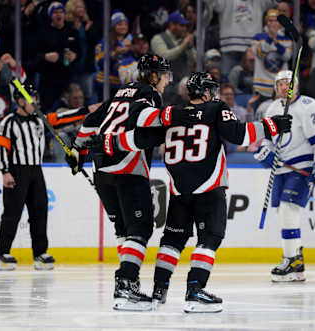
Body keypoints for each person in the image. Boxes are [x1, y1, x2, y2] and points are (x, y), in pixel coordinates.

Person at [88, 72, 292, 312]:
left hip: (179, 191)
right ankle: (194, 290)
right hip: (208, 188)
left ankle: (158, 291)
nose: (214, 95)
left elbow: (142, 138)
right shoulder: (215, 109)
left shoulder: (171, 114)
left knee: (173, 240)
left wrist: (109, 143)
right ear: (206, 92)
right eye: (212, 90)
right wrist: (275, 125)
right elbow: (240, 134)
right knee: (210, 238)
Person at [66, 54, 173, 311]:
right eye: (165, 75)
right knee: (141, 228)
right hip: (127, 168)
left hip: (102, 171)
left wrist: (77, 151)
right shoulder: (150, 93)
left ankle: (129, 283)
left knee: (125, 230)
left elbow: (91, 121)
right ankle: (125, 285)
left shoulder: (120, 92)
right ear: (155, 75)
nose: (167, 80)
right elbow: (146, 119)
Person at [0, 84, 89, 271]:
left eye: (35, 99)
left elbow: (61, 117)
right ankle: (2, 254)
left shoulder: (38, 120)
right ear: (20, 102)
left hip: (36, 171)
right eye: (31, 100)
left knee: (40, 211)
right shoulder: (9, 122)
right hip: (16, 170)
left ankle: (40, 254)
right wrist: (5, 171)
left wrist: (85, 110)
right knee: (12, 213)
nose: (35, 102)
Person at [253, 70, 315, 282]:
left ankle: (289, 259)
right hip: (281, 169)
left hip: (302, 167)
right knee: (284, 214)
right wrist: (264, 153)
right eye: (280, 84)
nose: (285, 87)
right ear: (275, 88)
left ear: (296, 86)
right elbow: (267, 141)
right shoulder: (272, 108)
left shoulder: (308, 105)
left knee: (288, 210)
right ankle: (297, 262)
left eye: (288, 83)